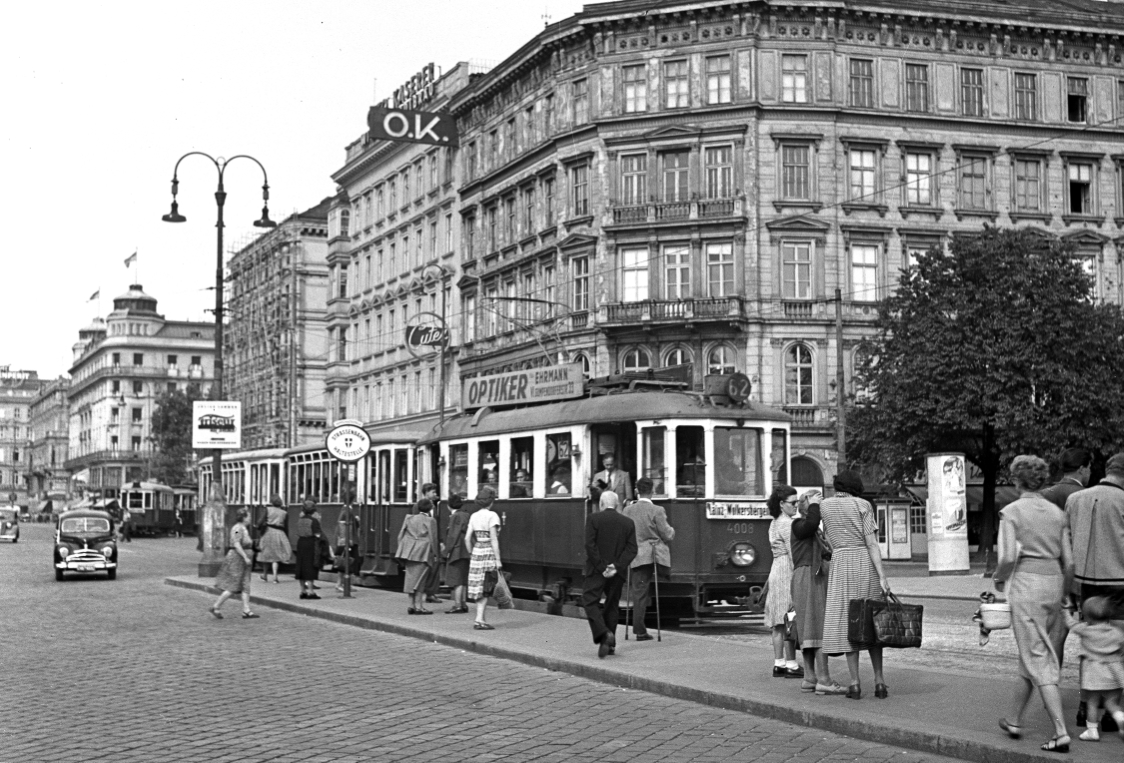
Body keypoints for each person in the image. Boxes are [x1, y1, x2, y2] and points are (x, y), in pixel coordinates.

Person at [995, 455, 1072, 753]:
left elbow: (1007, 557)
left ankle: (1061, 731)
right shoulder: (1056, 513)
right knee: (1034, 652)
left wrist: (999, 580)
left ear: (1016, 480)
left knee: (1038, 658)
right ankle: (1014, 719)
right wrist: (1065, 593)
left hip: (1027, 586)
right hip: (1054, 584)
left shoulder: (1012, 512)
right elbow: (1070, 562)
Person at [1066, 451, 1124, 734]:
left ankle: (1085, 708)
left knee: (1090, 647)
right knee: (1118, 647)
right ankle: (1116, 710)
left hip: (1086, 581)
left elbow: (1067, 542)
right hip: (1120, 580)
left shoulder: (1075, 499)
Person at [819, 470, 890, 701]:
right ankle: (879, 682)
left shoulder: (825, 506)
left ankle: (855, 683)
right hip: (864, 563)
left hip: (840, 565)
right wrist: (882, 576)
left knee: (849, 622)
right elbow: (871, 543)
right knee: (871, 622)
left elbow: (828, 538)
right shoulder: (863, 504)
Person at [790, 489, 845, 695]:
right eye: (816, 506)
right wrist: (814, 504)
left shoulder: (813, 531)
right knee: (820, 628)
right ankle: (824, 679)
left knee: (808, 628)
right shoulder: (799, 525)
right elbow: (812, 522)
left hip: (811, 576)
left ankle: (810, 678)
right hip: (810, 577)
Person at [582, 490, 637, 658]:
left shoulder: (593, 519)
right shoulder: (628, 523)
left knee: (590, 601)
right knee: (612, 605)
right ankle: (610, 646)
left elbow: (589, 545)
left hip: (597, 571)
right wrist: (616, 566)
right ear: (618, 504)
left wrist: (601, 567)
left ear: (601, 504)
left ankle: (604, 634)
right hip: (617, 573)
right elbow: (632, 549)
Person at [622, 477, 675, 642]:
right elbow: (667, 534)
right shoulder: (657, 510)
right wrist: (672, 530)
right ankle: (666, 575)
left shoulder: (627, 510)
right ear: (652, 491)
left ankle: (639, 630)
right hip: (654, 556)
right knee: (661, 575)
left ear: (637, 491)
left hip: (636, 557)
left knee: (639, 592)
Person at [1064, 596, 1124, 742]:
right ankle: (1120, 717)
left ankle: (1092, 731)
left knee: (1092, 703)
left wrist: (1065, 610)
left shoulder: (1086, 630)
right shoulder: (1117, 632)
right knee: (1111, 703)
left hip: (1093, 673)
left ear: (1087, 616)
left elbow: (1070, 624)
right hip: (1114, 673)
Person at [764, 484, 803, 679]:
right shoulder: (787, 523)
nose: (796, 506)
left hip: (776, 570)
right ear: (781, 504)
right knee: (790, 619)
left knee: (778, 623)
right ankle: (792, 664)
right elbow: (794, 552)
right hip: (787, 570)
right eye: (793, 503)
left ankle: (778, 663)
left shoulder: (774, 522)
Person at [210, 507, 259, 619]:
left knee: (246, 584)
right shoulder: (237, 528)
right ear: (244, 517)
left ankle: (246, 610)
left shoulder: (244, 528)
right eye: (249, 516)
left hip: (244, 561)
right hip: (237, 559)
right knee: (233, 585)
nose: (250, 518)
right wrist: (245, 556)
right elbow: (236, 544)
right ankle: (216, 606)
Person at [395, 498, 440, 614]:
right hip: (423, 552)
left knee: (410, 579)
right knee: (421, 580)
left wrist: (402, 550)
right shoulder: (431, 521)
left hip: (409, 552)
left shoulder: (409, 518)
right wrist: (436, 554)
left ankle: (411, 605)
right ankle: (419, 606)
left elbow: (400, 535)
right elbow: (433, 539)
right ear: (430, 508)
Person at [466, 489, 502, 630]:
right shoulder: (492, 515)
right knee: (486, 586)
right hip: (487, 552)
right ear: (491, 501)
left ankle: (479, 619)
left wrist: (471, 553)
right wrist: (498, 559)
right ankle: (479, 619)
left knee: (477, 586)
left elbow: (467, 538)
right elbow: (494, 539)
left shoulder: (474, 516)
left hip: (476, 552)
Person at [442, 494, 472, 614]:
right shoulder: (466, 515)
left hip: (457, 551)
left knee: (457, 579)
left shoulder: (455, 516)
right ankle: (463, 603)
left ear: (449, 506)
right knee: (463, 578)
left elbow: (453, 535)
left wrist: (446, 551)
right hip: (466, 550)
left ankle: (458, 605)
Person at [257, 495, 292, 585]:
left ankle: (265, 575)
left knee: (266, 555)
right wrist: (286, 538)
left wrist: (258, 526)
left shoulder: (268, 509)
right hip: (279, 533)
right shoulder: (284, 513)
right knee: (275, 556)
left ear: (271, 502)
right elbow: (286, 527)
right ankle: (275, 577)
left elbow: (260, 521)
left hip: (268, 532)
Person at [294, 498, 324, 600]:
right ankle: (311, 592)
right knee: (310, 566)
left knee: (301, 567)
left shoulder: (300, 520)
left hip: (300, 543)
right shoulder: (313, 521)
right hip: (310, 544)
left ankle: (303, 591)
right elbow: (318, 534)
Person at [420, 483, 444, 604]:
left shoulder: (434, 507)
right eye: (433, 492)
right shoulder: (418, 506)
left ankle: (431, 593)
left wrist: (440, 541)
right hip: (425, 542)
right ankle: (425, 592)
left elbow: (436, 526)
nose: (435, 494)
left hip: (434, 542)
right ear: (426, 493)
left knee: (435, 566)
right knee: (426, 567)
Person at [334, 502, 361, 593]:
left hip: (350, 540)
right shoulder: (346, 511)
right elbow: (343, 527)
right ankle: (339, 584)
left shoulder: (347, 510)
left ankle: (347, 584)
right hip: (348, 541)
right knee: (344, 563)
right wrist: (346, 543)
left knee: (349, 563)